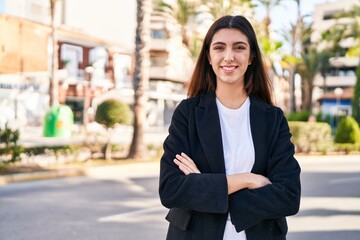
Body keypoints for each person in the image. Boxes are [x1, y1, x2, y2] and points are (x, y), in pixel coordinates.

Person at [159, 15, 301, 240]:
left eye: (239, 47)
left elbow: (289, 196)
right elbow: (171, 189)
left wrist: (204, 185)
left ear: (251, 56)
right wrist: (248, 179)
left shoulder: (272, 119)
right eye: (219, 48)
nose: (228, 56)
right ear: (209, 56)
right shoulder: (188, 114)